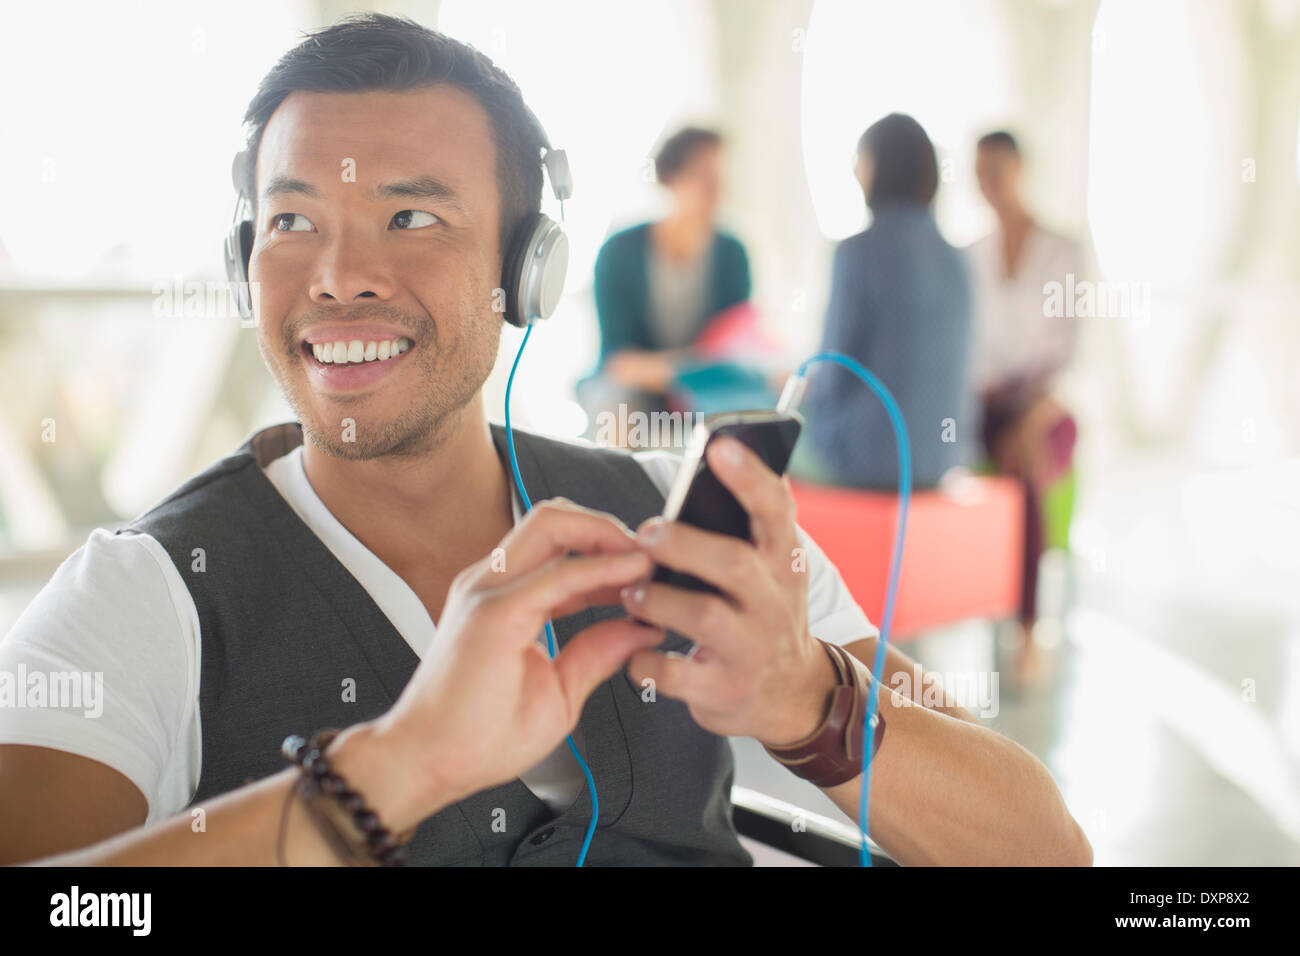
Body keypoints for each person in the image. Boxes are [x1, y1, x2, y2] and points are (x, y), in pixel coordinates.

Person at [0, 16, 1089, 867]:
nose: (337, 275)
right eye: (290, 222)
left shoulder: (674, 515)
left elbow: (1046, 846)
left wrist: (811, 703)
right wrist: (385, 773)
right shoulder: (146, 593)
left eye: (411, 217)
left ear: (525, 271)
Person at [793, 113, 979, 491]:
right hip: (942, 457)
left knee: (734, 446)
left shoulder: (859, 250)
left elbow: (834, 366)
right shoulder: (958, 257)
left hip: (868, 458)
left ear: (876, 166)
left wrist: (800, 393)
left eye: (860, 160)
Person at [968, 130, 1085, 686]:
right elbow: (966, 356)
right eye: (979, 170)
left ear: (1020, 167)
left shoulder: (1064, 251)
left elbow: (1071, 358)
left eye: (997, 167)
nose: (988, 181)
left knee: (1029, 462)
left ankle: (1027, 626)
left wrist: (1030, 419)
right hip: (986, 407)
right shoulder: (970, 256)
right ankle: (1009, 617)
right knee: (1005, 457)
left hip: (1046, 407)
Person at [578, 127, 752, 447]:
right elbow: (619, 360)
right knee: (614, 407)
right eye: (704, 176)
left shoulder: (732, 253)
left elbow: (736, 343)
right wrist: (685, 369)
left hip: (705, 389)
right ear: (671, 178)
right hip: (637, 386)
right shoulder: (619, 251)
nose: (716, 190)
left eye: (721, 178)